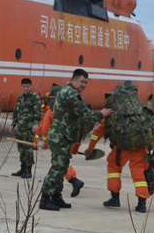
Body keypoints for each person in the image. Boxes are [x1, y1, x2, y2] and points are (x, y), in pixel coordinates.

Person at [40, 69, 111, 211]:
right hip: (60, 136)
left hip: (63, 136)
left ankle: (56, 196)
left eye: (86, 82)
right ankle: (45, 198)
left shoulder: (69, 91)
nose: (84, 85)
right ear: (73, 80)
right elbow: (84, 114)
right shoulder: (70, 94)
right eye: (82, 81)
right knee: (58, 167)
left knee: (61, 167)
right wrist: (101, 114)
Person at [86, 119, 151, 213]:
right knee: (139, 174)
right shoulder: (139, 111)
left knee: (113, 168)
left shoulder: (113, 114)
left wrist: (90, 147)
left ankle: (115, 198)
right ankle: (142, 204)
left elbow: (98, 132)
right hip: (140, 147)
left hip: (122, 148)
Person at [39, 90, 85, 197]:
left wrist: (45, 142)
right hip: (70, 140)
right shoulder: (71, 110)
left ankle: (74, 180)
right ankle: (62, 188)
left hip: (57, 141)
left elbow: (45, 128)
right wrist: (76, 146)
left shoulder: (51, 111)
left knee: (59, 164)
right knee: (63, 162)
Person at [11, 78, 42, 179]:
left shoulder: (35, 98)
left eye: (27, 86)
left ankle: (28, 170)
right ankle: (22, 168)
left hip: (29, 128)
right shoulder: (20, 98)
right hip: (20, 128)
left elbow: (38, 112)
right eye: (24, 86)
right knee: (21, 149)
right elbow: (16, 112)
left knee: (28, 149)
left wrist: (36, 124)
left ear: (31, 86)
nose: (25, 88)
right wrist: (13, 124)